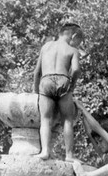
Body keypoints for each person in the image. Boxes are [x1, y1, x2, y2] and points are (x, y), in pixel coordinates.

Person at [33, 22, 83, 161]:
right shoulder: (72, 50)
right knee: (67, 119)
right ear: (73, 36)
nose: (78, 45)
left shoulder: (46, 46)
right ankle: (69, 155)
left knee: (45, 119)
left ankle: (44, 151)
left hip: (46, 80)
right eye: (79, 41)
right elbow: (76, 70)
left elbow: (36, 72)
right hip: (63, 80)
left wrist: (36, 92)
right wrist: (71, 85)